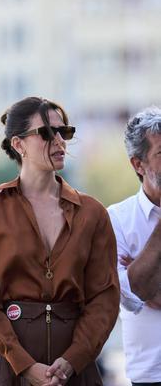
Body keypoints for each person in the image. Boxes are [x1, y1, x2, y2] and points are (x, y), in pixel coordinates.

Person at [0, 96, 119, 386]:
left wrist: (73, 360)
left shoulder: (92, 214)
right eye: (47, 133)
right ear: (18, 144)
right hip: (8, 369)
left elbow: (105, 296)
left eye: (64, 132)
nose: (59, 141)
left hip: (76, 371)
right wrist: (24, 365)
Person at [107, 106, 161, 386]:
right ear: (138, 164)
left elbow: (144, 288)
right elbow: (131, 294)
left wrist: (143, 271)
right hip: (150, 373)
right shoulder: (116, 219)